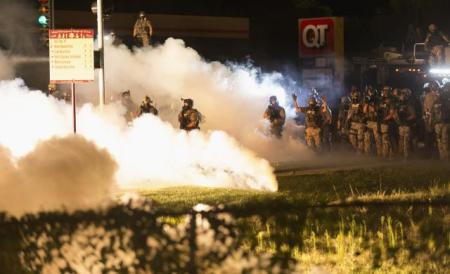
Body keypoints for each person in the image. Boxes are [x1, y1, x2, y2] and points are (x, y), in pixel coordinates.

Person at [395, 89, 417, 160]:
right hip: (401, 125)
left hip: (407, 125)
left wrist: (406, 120)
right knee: (401, 141)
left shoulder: (409, 104)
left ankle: (406, 157)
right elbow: (396, 114)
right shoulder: (399, 104)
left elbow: (413, 115)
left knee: (406, 142)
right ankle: (401, 157)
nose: (402, 95)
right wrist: (398, 120)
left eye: (403, 94)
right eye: (401, 94)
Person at [431, 88, 450, 160]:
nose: (437, 94)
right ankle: (443, 156)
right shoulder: (437, 102)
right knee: (441, 140)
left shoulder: (445, 102)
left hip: (444, 123)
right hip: (439, 123)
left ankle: (446, 156)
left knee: (444, 140)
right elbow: (432, 113)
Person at [363, 86, 382, 156]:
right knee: (367, 138)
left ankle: (380, 153)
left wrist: (372, 103)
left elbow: (377, 110)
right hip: (369, 122)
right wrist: (367, 103)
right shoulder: (367, 100)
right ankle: (367, 153)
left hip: (375, 122)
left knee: (377, 139)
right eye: (369, 91)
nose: (370, 93)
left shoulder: (378, 100)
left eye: (371, 91)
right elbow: (364, 111)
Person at [346, 89, 366, 154]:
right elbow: (349, 113)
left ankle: (361, 151)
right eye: (354, 97)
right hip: (353, 123)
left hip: (360, 123)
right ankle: (357, 149)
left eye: (356, 97)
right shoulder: (351, 104)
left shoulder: (362, 104)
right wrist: (347, 121)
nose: (355, 99)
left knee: (360, 138)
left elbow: (365, 112)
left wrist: (360, 109)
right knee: (352, 138)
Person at [379, 86, 396, 158]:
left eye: (387, 90)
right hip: (383, 122)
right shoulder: (382, 100)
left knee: (388, 139)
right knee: (384, 139)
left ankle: (390, 155)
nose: (385, 92)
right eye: (384, 90)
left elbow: (392, 113)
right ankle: (385, 155)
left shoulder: (392, 100)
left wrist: (385, 119)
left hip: (390, 122)